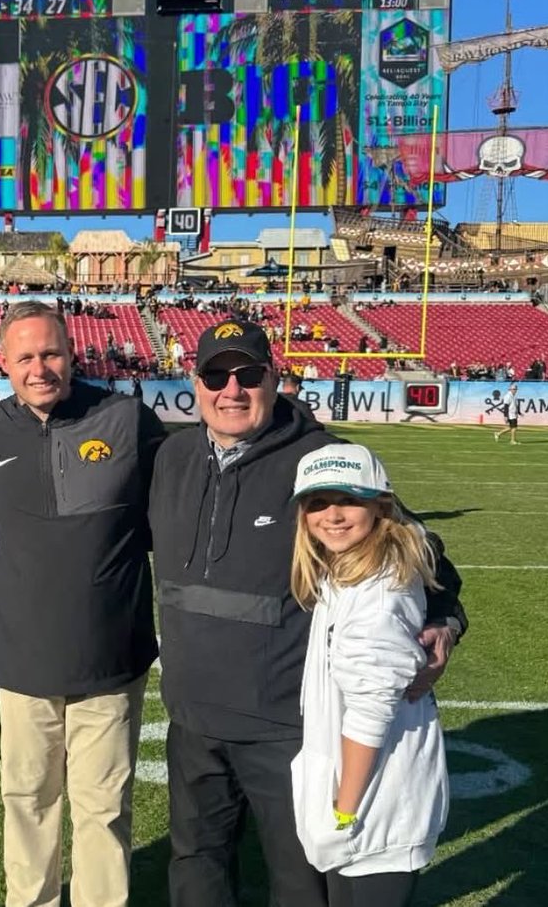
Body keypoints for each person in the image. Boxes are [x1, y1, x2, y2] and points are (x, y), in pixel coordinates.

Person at [148, 319, 466, 907]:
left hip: (285, 726)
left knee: (298, 883)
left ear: (275, 378)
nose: (232, 389)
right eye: (216, 375)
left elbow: (418, 550)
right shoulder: (171, 458)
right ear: (194, 383)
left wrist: (445, 620)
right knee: (195, 867)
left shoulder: (323, 458)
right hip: (191, 718)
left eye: (249, 374)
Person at [0, 301, 166, 907]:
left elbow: (191, 502)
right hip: (24, 660)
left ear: (72, 352)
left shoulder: (128, 420)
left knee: (103, 808)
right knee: (27, 801)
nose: (39, 368)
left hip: (109, 660)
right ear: (2, 363)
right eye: (24, 356)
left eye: (50, 353)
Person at [288, 443, 448, 907]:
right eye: (317, 503)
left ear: (381, 504)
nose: (332, 515)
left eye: (348, 499)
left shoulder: (378, 593)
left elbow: (369, 713)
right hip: (366, 806)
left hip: (372, 812)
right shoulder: (347, 570)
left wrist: (341, 812)